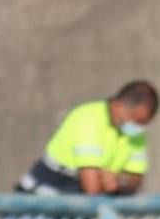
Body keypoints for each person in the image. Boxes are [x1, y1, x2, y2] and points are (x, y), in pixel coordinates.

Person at [18, 82, 157, 197]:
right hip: (40, 199)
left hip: (75, 205)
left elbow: (136, 179)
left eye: (142, 124)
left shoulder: (136, 135)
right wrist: (111, 182)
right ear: (118, 106)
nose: (138, 128)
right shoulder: (89, 118)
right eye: (135, 120)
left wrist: (119, 181)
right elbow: (92, 189)